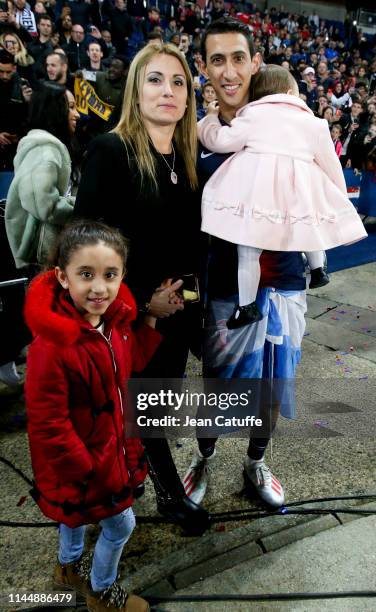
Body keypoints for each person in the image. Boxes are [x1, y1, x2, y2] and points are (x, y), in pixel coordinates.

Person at [182, 17, 332, 508]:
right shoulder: (199, 138)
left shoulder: (287, 127)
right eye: (217, 60)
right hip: (226, 288)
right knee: (222, 386)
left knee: (271, 383)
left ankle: (256, 460)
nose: (229, 71)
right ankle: (203, 457)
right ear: (203, 68)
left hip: (285, 283)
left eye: (238, 58)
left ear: (254, 63)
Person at [74, 42, 210, 535]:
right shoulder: (111, 150)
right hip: (128, 316)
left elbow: (192, 246)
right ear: (135, 87)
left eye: (178, 82)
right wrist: (142, 302)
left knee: (156, 406)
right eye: (155, 79)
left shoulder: (190, 158)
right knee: (133, 407)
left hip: (176, 314)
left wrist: (187, 305)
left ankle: (141, 476)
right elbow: (88, 248)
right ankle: (168, 495)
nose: (168, 91)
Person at [24, 220, 161, 612]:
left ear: (122, 277)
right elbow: (48, 422)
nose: (98, 287)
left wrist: (148, 324)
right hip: (88, 467)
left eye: (109, 275)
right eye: (86, 275)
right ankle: (102, 593)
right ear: (62, 277)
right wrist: (87, 469)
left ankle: (67, 568)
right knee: (121, 525)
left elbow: (123, 372)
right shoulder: (52, 345)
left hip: (105, 454)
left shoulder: (114, 325)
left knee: (74, 517)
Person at [197, 63, 366, 328]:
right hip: (299, 190)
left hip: (260, 194)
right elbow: (331, 164)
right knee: (307, 223)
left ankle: (247, 306)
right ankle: (319, 268)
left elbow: (219, 141)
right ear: (291, 91)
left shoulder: (252, 116)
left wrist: (207, 119)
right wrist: (340, 200)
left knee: (248, 251)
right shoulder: (315, 123)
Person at [5, 83, 79, 270]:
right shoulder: (44, 149)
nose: (77, 114)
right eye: (70, 107)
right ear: (54, 110)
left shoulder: (50, 147)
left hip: (51, 254)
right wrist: (82, 205)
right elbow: (45, 206)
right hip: (41, 258)